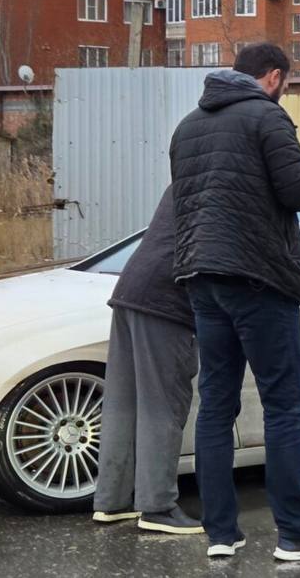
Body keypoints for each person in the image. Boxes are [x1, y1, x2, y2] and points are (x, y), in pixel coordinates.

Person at [169, 42, 300, 563]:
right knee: (284, 402)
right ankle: (296, 532)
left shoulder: (188, 126)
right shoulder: (267, 117)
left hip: (201, 276)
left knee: (216, 403)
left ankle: (220, 533)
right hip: (256, 277)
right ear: (274, 77)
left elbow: (200, 202)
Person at [92, 186, 201, 535]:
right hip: (167, 299)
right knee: (163, 404)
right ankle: (157, 507)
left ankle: (112, 500)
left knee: (123, 402)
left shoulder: (190, 171)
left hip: (132, 288)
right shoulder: (232, 180)